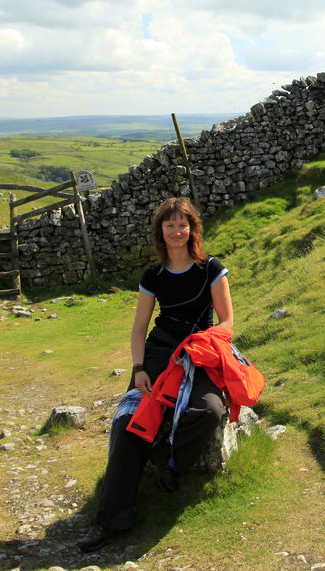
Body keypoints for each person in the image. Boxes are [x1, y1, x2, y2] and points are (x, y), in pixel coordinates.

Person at [79, 196, 232, 552]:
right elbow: (138, 329)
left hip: (200, 355)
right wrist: (138, 370)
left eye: (183, 225)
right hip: (159, 355)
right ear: (160, 231)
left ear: (193, 229)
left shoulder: (211, 268)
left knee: (211, 411)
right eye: (169, 225)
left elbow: (227, 324)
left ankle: (169, 462)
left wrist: (198, 345)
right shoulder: (154, 275)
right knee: (128, 422)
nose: (177, 231)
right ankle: (109, 519)